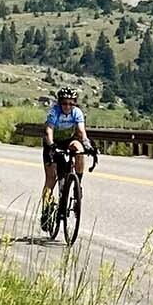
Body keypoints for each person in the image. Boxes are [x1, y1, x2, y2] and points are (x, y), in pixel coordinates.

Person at [40, 86, 91, 231]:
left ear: (74, 103)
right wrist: (51, 145)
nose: (68, 106)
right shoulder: (54, 112)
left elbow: (81, 131)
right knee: (52, 178)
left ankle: (77, 184)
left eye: (71, 103)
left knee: (79, 149)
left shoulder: (77, 113)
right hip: (53, 143)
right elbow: (49, 130)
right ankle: (46, 210)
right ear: (60, 103)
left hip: (68, 141)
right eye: (64, 103)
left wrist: (87, 143)